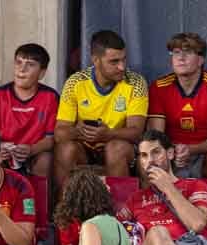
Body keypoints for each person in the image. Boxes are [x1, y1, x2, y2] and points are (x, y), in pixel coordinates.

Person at [120, 129, 207, 245]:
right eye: (144, 155)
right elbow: (117, 232)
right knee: (156, 236)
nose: (150, 160)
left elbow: (198, 224)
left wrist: (168, 187)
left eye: (156, 152)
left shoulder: (195, 186)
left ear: (170, 153)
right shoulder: (135, 199)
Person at [53, 29, 147, 186]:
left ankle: (120, 210)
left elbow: (136, 132)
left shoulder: (135, 82)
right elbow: (59, 133)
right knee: (65, 149)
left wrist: (108, 134)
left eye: (124, 59)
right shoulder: (75, 82)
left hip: (119, 146)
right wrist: (78, 131)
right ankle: (65, 208)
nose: (122, 67)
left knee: (115, 148)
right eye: (114, 62)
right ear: (96, 60)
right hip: (85, 149)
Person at [146, 32, 207, 183]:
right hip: (171, 152)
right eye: (176, 52)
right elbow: (156, 135)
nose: (181, 57)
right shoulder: (158, 87)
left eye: (187, 52)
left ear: (200, 59)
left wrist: (191, 149)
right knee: (149, 157)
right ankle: (151, 206)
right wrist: (172, 151)